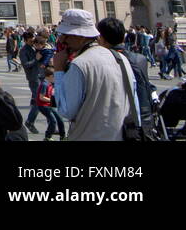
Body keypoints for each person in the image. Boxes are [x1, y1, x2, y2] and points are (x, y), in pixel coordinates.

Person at [51, 10, 138, 142]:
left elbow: (66, 110)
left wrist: (58, 71)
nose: (62, 39)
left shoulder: (80, 64)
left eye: (65, 35)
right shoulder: (120, 59)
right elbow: (134, 104)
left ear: (80, 36)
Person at [35, 67, 65, 140]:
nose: (55, 78)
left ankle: (62, 136)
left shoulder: (50, 84)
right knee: (53, 121)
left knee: (60, 119)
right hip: (43, 106)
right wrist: (52, 100)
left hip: (49, 105)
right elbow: (41, 97)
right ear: (50, 76)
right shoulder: (44, 84)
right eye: (54, 76)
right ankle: (48, 137)